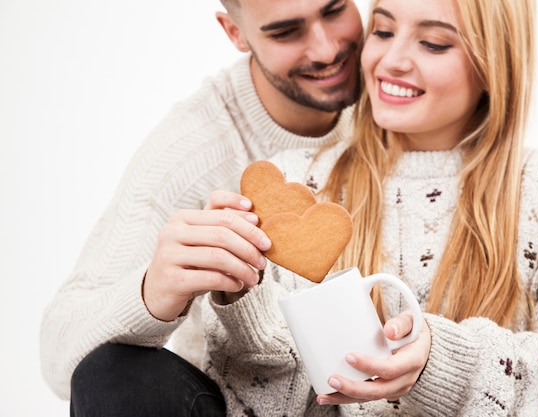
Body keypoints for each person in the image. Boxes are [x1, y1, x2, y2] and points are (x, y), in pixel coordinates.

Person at [193, 0, 538, 414]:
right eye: (382, 31)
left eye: (434, 43)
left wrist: (446, 363)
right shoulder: (295, 186)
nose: (390, 60)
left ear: (494, 62)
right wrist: (245, 304)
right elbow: (249, 404)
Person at [40, 0, 364, 415]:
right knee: (110, 372)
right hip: (241, 403)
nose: (325, 49)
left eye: (335, 9)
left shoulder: (403, 82)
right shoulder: (191, 149)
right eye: (286, 32)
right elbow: (56, 359)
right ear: (235, 33)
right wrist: (152, 293)